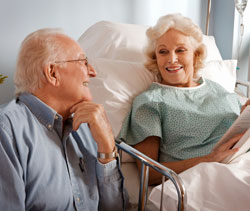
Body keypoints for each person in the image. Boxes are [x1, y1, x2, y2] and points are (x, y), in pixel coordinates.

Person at [0, 28, 127, 210]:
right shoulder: (7, 131)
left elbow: (115, 208)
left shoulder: (88, 128)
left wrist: (107, 148)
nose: (92, 72)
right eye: (83, 62)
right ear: (52, 73)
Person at [119, 14, 250, 185]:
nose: (172, 59)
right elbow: (149, 173)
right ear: (155, 58)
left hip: (242, 165)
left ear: (195, 55)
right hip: (200, 180)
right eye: (163, 52)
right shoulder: (150, 103)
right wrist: (209, 159)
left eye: (180, 50)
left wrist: (244, 116)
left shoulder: (219, 90)